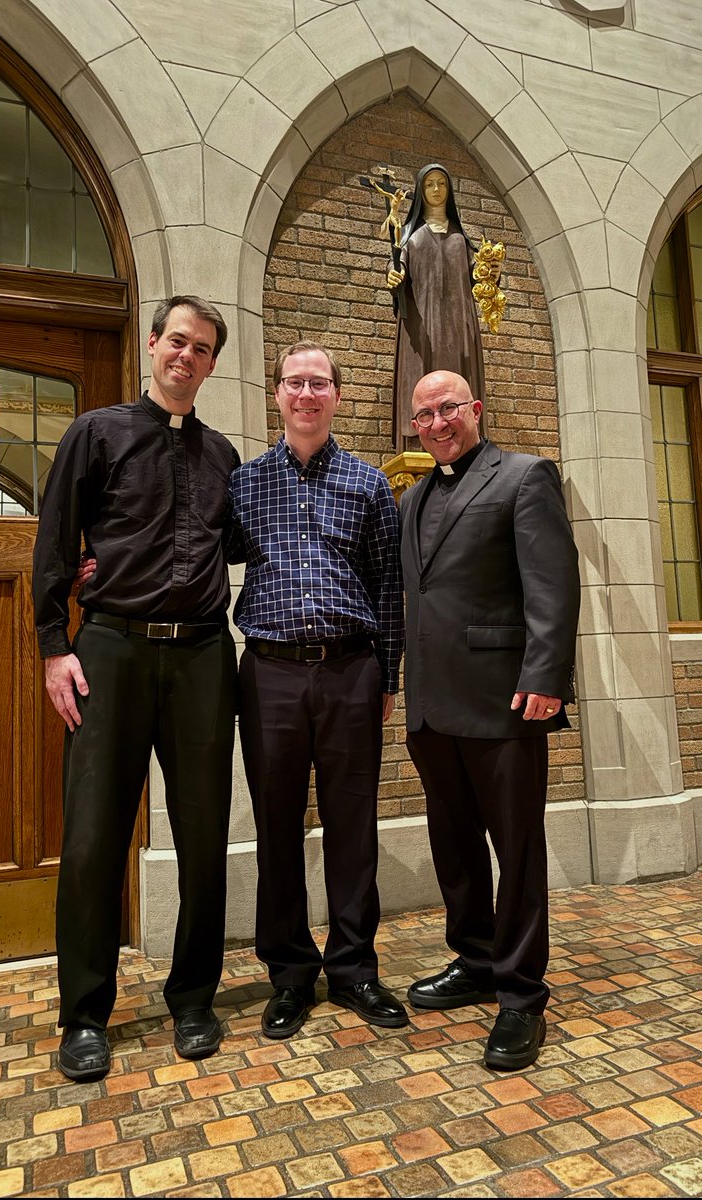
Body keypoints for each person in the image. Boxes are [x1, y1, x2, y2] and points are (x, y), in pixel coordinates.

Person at [32, 296, 239, 1080]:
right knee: (91, 839)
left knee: (202, 837)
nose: (186, 356)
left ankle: (193, 998)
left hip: (200, 659)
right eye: (176, 341)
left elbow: (242, 543)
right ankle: (83, 1014)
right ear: (152, 345)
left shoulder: (223, 456)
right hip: (111, 650)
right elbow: (55, 541)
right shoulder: (97, 433)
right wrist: (56, 648)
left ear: (213, 364)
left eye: (202, 348)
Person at [400, 370, 579, 1070]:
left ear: (474, 408)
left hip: (504, 701)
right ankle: (474, 960)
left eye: (448, 408)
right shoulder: (412, 498)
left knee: (517, 850)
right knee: (455, 848)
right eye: (424, 415)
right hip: (432, 706)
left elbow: (551, 582)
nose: (438, 422)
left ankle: (519, 992)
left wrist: (544, 677)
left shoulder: (526, 476)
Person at [230, 340, 407, 1039]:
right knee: (276, 827)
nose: (306, 394)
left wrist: (386, 675)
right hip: (269, 672)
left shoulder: (368, 485)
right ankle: (289, 975)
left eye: (319, 383)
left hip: (349, 670)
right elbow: (192, 552)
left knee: (352, 828)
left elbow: (389, 587)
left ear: (337, 394)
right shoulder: (242, 485)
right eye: (294, 383)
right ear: (276, 393)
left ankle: (355, 970)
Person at [387, 163, 495, 445]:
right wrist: (393, 274)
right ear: (422, 191)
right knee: (423, 371)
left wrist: (491, 273)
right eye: (430, 184)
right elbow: (397, 268)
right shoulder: (412, 238)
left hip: (458, 324)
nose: (436, 190)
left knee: (459, 379)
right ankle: (420, 434)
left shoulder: (461, 240)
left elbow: (480, 279)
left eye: (442, 184)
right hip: (422, 325)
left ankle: (465, 433)